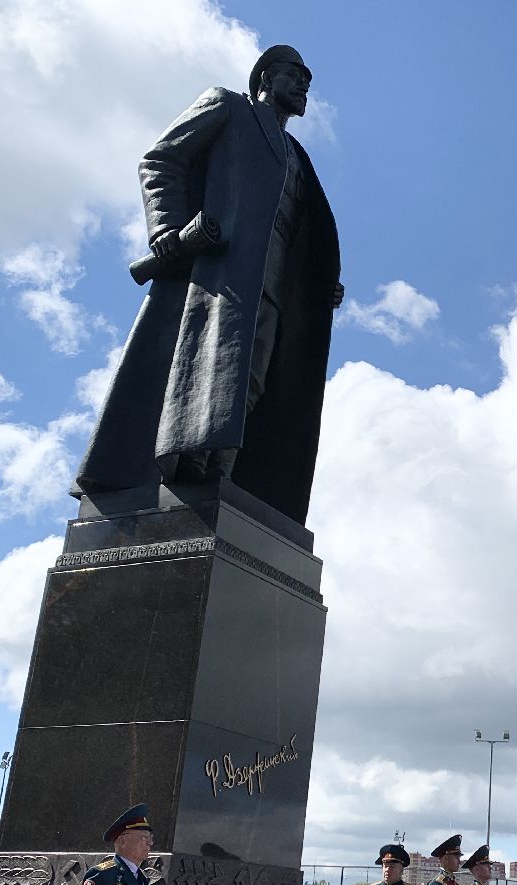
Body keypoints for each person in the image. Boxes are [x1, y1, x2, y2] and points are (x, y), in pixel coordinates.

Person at [73, 44, 343, 525]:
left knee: (253, 378)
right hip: (220, 273)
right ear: (265, 76)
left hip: (275, 283)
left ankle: (221, 471)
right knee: (210, 365)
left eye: (308, 80)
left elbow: (307, 228)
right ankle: (189, 464)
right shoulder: (227, 106)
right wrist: (166, 228)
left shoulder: (298, 157)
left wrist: (319, 281)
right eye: (294, 75)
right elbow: (160, 160)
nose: (304, 85)